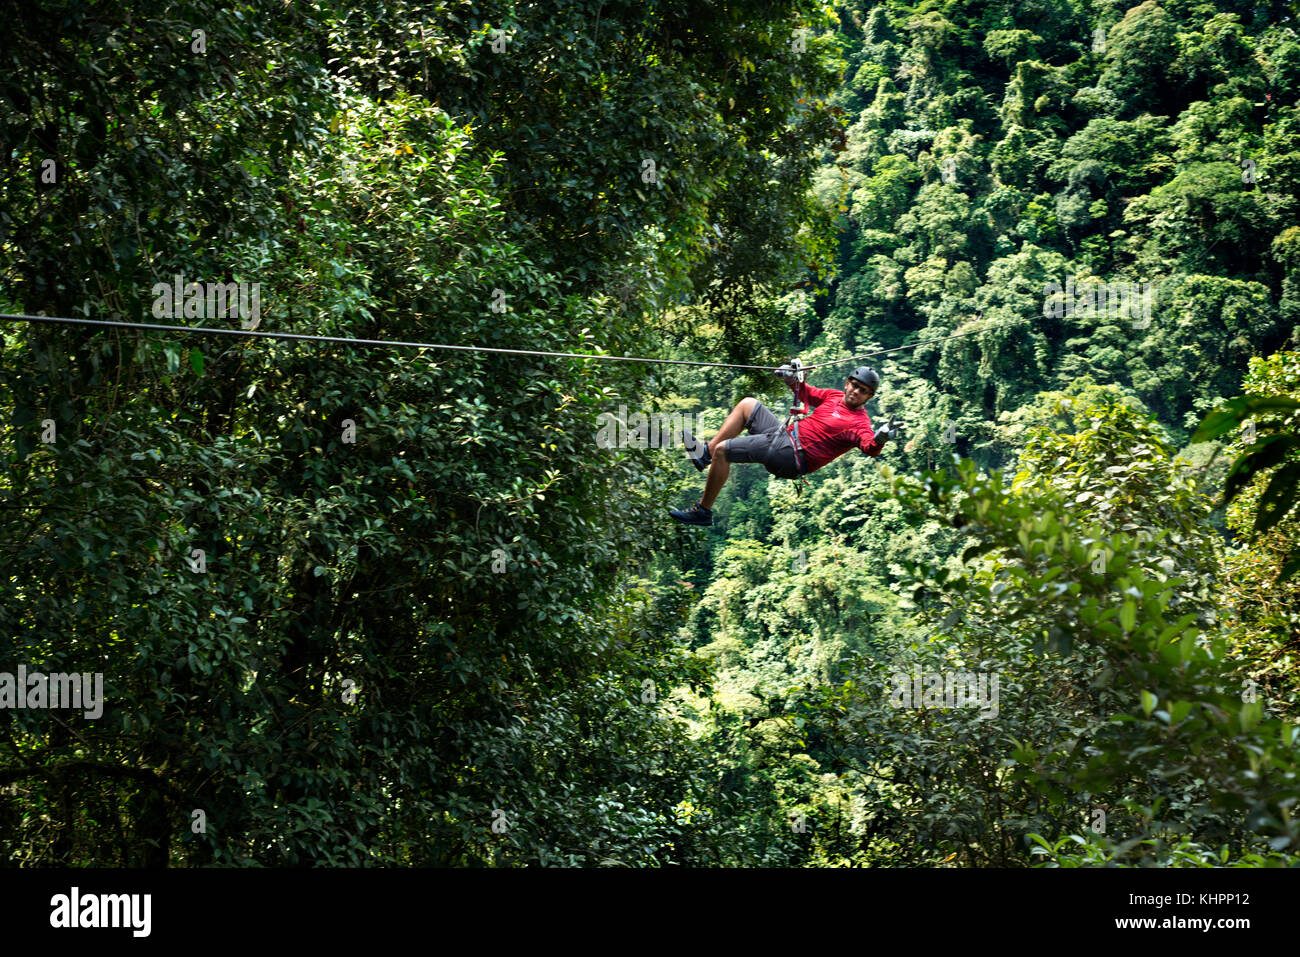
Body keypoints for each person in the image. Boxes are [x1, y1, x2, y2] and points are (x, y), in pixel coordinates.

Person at [670, 362, 905, 526]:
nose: (856, 392)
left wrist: (880, 437)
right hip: (784, 436)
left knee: (725, 451)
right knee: (748, 405)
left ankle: (703, 511)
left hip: (791, 455)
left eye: (863, 391)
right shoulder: (833, 396)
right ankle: (705, 455)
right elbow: (806, 393)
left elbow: (869, 447)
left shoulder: (860, 423)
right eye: (854, 385)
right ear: (847, 383)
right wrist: (791, 379)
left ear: (869, 397)